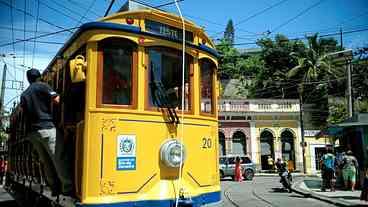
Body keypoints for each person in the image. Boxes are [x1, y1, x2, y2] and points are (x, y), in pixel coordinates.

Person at [20, 69, 72, 195]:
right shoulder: (43, 86)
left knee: (46, 161)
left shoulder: (24, 94)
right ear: (40, 77)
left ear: (28, 79)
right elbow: (57, 100)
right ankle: (67, 188)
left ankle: (54, 187)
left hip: (32, 133)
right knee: (58, 158)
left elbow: (24, 112)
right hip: (46, 128)